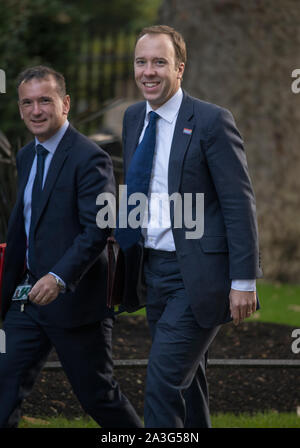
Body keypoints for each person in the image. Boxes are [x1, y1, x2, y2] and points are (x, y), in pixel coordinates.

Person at [115, 25, 262, 428]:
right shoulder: (132, 118)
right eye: (141, 62)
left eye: (159, 62)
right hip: (152, 271)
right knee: (188, 380)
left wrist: (244, 281)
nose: (148, 71)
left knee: (162, 383)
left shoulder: (212, 121)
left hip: (198, 275)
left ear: (180, 68)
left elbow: (238, 202)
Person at [0, 65, 142, 428]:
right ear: (19, 108)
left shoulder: (89, 157)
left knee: (99, 396)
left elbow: (98, 227)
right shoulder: (26, 156)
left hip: (75, 301)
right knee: (3, 385)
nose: (36, 110)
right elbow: (22, 231)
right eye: (27, 102)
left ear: (65, 104)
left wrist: (59, 277)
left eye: (45, 100)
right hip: (27, 301)